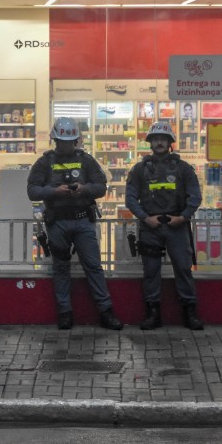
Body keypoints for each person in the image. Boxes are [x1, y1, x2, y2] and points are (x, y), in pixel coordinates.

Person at [27, 117, 123, 330]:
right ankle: (65, 313)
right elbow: (32, 190)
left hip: (83, 222)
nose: (66, 145)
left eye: (69, 141)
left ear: (76, 141)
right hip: (57, 223)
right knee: (60, 268)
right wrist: (54, 191)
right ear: (55, 140)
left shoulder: (86, 160)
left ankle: (106, 312)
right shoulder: (45, 162)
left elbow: (101, 187)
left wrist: (84, 188)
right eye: (62, 141)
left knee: (94, 267)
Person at [124, 121, 203, 330]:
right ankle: (153, 313)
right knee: (151, 271)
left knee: (184, 269)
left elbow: (195, 196)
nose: (159, 142)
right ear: (150, 143)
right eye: (155, 139)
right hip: (150, 227)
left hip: (177, 225)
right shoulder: (140, 169)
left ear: (170, 142)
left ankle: (190, 312)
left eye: (163, 139)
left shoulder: (184, 168)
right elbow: (130, 199)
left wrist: (183, 217)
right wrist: (144, 218)